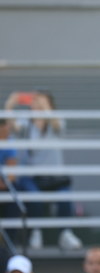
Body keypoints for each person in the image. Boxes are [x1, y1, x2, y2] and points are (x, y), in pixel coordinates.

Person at [4, 91, 82, 250]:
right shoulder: (26, 124)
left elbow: (55, 122)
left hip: (54, 176)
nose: (37, 105)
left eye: (41, 103)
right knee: (34, 197)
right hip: (32, 176)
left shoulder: (56, 123)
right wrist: (10, 103)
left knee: (65, 196)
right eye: (35, 102)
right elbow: (10, 123)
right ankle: (35, 232)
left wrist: (44, 105)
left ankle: (65, 233)